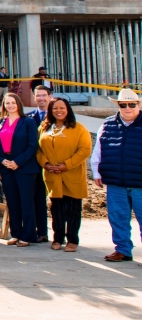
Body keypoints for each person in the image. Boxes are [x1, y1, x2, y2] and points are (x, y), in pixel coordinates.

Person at [90, 88, 142, 262]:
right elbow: (98, 150)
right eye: (123, 105)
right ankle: (122, 250)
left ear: (138, 105)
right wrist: (97, 171)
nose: (127, 108)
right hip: (116, 182)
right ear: (118, 105)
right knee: (117, 217)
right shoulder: (107, 124)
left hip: (140, 184)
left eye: (131, 104)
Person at [36, 98, 91, 252]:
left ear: (68, 110)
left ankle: (73, 240)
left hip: (71, 174)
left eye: (62, 108)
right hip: (52, 175)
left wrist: (66, 165)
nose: (58, 111)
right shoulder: (44, 128)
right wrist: (46, 164)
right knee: (56, 209)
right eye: (55, 108)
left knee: (73, 209)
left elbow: (84, 150)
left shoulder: (78, 128)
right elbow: (39, 150)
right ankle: (58, 238)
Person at [0, 93, 40, 247]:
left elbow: (32, 145)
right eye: (7, 103)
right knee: (12, 202)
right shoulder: (0, 122)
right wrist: (2, 160)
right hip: (6, 167)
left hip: (24, 167)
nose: (10, 105)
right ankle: (16, 233)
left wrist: (17, 162)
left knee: (26, 202)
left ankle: (27, 235)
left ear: (18, 104)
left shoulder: (28, 122)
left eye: (13, 102)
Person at [27, 85, 53, 243]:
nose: (41, 98)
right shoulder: (29, 117)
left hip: (54, 165)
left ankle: (60, 234)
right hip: (34, 165)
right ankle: (41, 231)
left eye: (44, 95)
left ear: (50, 96)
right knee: (37, 199)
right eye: (38, 95)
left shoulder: (58, 116)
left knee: (58, 201)